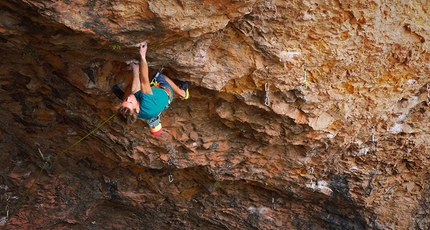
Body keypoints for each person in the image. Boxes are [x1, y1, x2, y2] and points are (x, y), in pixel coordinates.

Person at [115, 42, 189, 135]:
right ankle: (183, 93)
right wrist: (142, 55)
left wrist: (135, 68)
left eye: (126, 100)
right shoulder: (146, 103)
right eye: (130, 102)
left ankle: (123, 96)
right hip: (165, 91)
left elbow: (134, 91)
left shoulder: (133, 113)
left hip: (154, 106)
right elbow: (144, 80)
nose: (129, 98)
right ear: (137, 110)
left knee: (131, 90)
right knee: (156, 75)